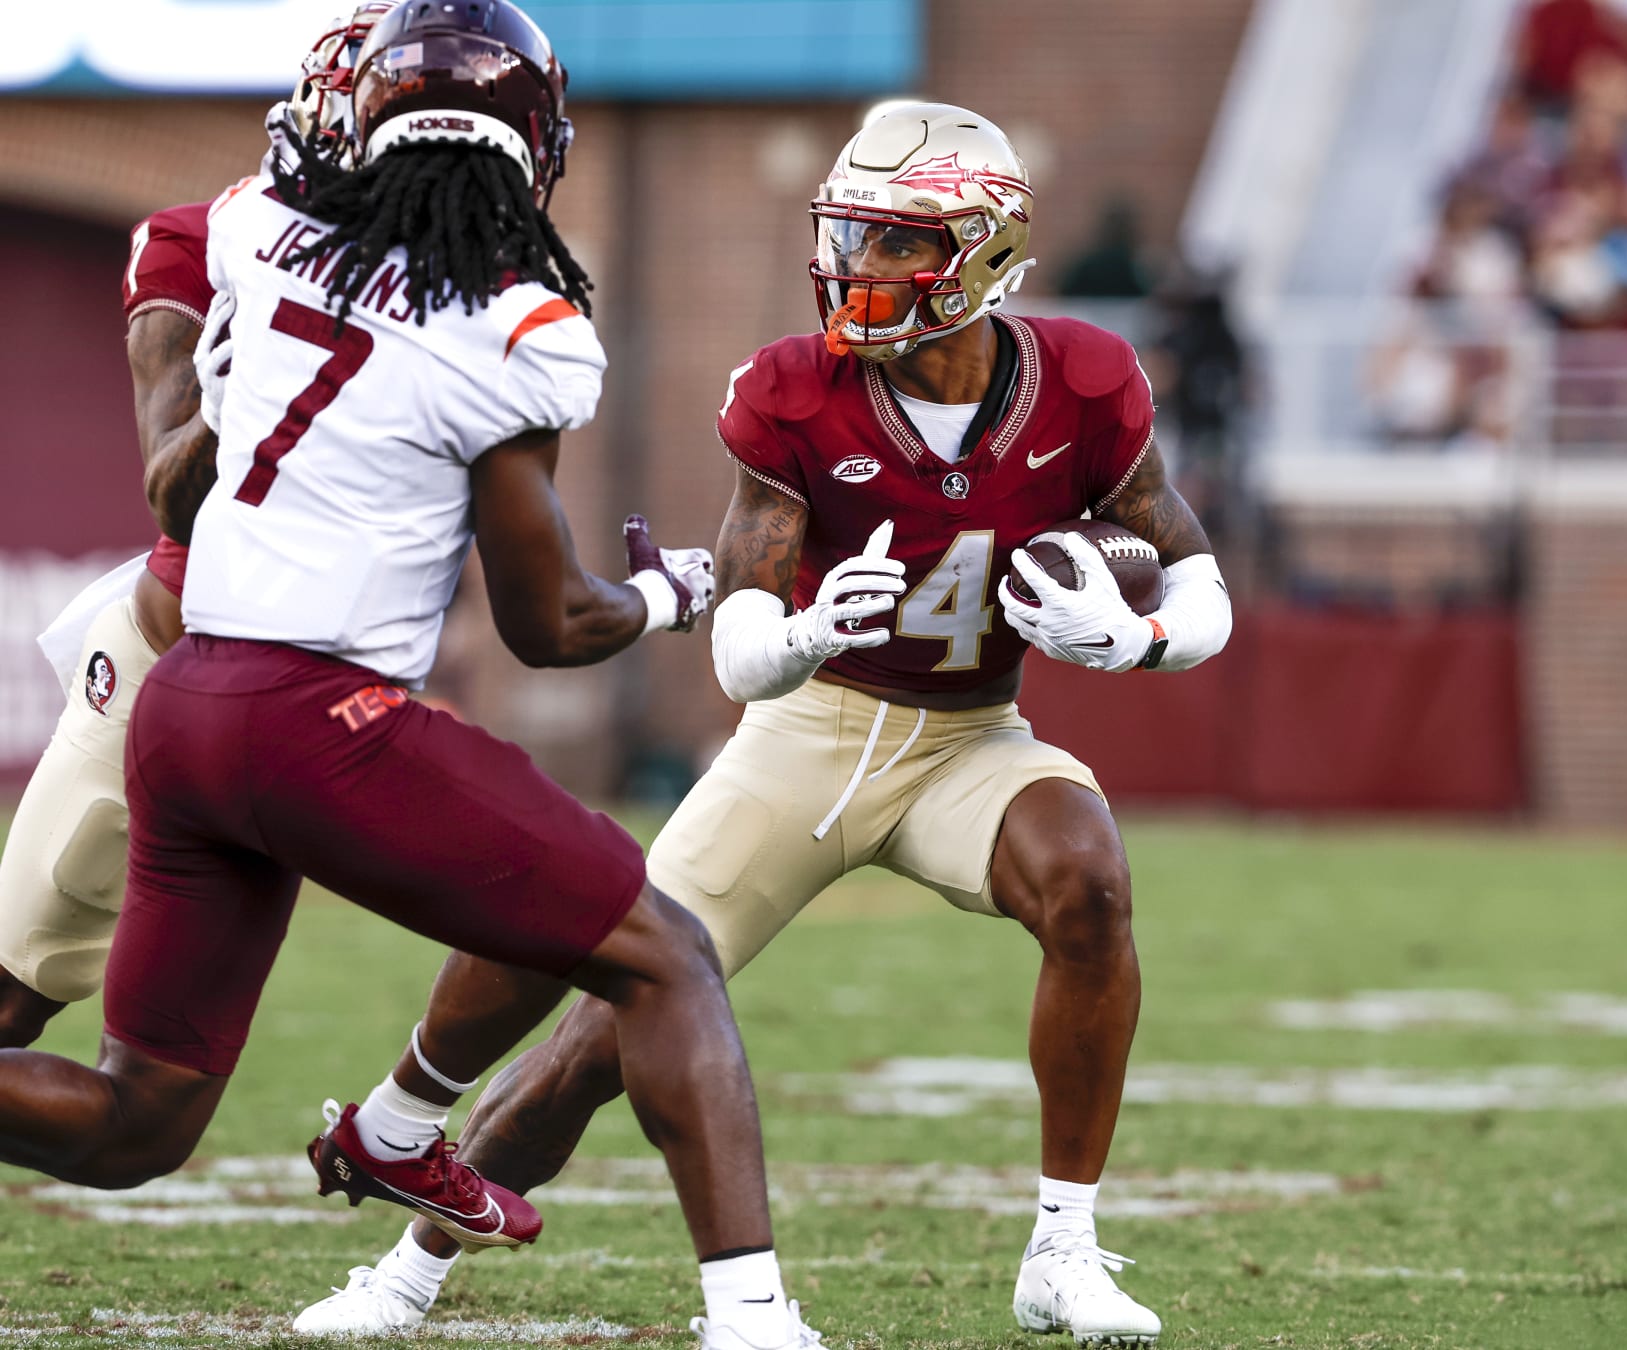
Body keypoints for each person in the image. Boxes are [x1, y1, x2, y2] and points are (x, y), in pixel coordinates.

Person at [299, 101, 1230, 1347]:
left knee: (1090, 883)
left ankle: (1062, 1252)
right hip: (809, 738)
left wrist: (1139, 638)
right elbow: (740, 646)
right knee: (597, 1041)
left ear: (987, 250)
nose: (858, 265)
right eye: (850, 233)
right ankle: (404, 1277)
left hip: (970, 742)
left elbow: (1198, 575)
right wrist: (804, 632)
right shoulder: (797, 390)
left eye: (896, 241)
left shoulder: (1085, 379)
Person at [0, 4, 828, 1347]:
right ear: (535, 149)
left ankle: (393, 1130)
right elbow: (548, 623)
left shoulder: (261, 232)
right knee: (665, 956)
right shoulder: (516, 326)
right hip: (319, 718)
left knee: (134, 1124)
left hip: (189, 703)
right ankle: (752, 1319)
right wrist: (677, 592)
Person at [0, 3, 396, 1051]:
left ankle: (405, 1120)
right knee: (18, 989)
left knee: (573, 910)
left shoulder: (462, 290)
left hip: (332, 688)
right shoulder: (203, 245)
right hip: (178, 655)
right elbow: (173, 491)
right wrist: (241, 392)